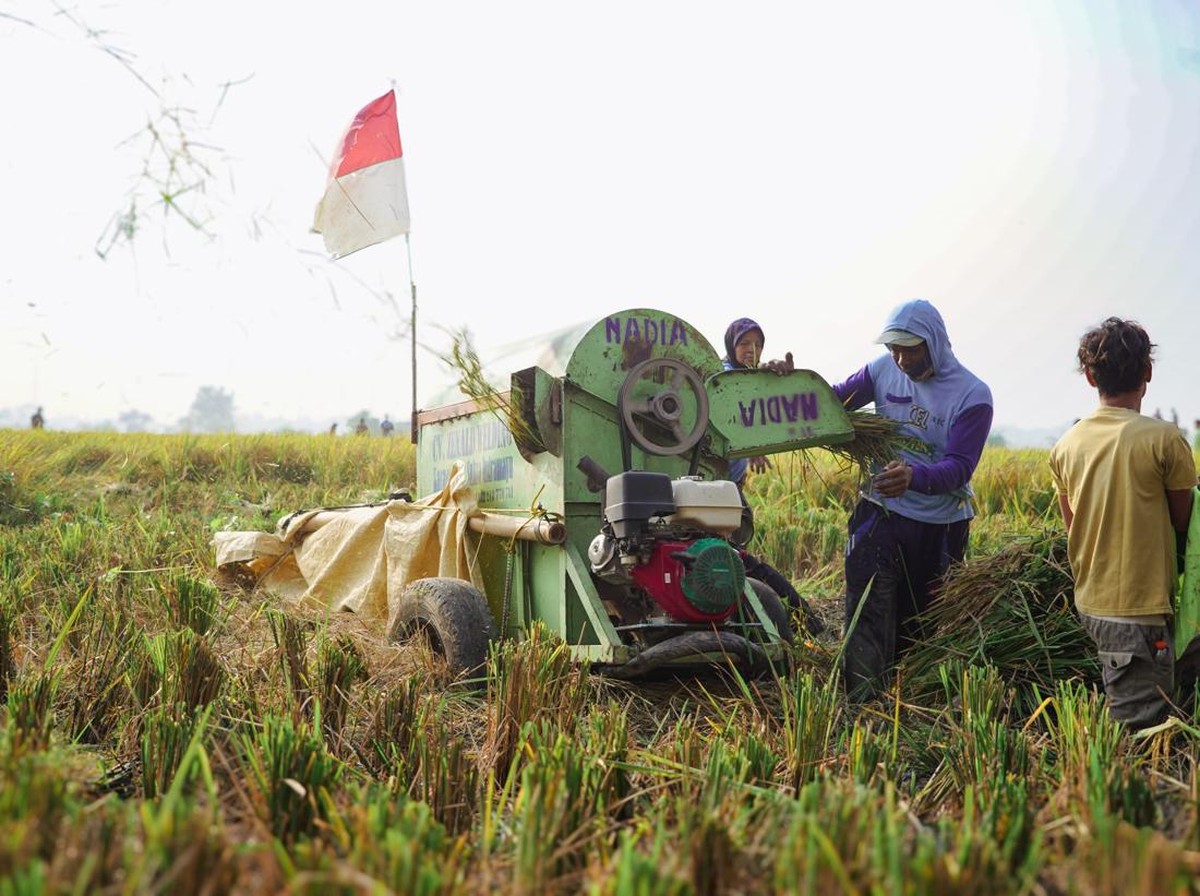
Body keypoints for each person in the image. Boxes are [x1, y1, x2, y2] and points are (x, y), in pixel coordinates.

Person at [822, 298, 993, 701]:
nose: (899, 359)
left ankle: (909, 704)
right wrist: (788, 382)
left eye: (909, 349)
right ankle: (861, 703)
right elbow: (831, 402)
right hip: (879, 510)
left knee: (921, 619)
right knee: (868, 606)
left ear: (933, 343)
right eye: (893, 348)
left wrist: (914, 478)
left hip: (938, 526)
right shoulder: (881, 370)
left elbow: (959, 468)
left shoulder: (972, 395)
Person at [1049, 317, 1196, 729]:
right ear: (1147, 373)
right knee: (1142, 731)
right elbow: (1183, 520)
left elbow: (1071, 525)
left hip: (1093, 601)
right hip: (1139, 608)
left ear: (1091, 377)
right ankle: (1121, 788)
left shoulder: (1066, 445)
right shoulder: (1165, 440)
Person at [720, 317, 825, 637]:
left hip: (730, 491)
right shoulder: (720, 378)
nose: (752, 351)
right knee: (739, 561)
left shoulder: (751, 375)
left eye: (758, 345)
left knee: (737, 559)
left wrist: (777, 374)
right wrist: (748, 443)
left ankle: (798, 621)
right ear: (730, 346)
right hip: (713, 492)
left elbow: (764, 395)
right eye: (744, 344)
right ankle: (804, 621)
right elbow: (728, 418)